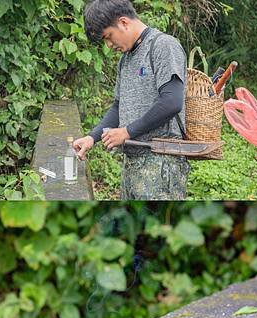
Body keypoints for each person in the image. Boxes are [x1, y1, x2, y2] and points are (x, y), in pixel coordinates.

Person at [73, 0, 189, 200]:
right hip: (132, 163)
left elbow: (172, 101)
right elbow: (119, 106)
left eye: (108, 37)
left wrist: (127, 132)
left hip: (161, 163)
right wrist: (92, 137)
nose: (109, 45)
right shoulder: (125, 59)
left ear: (124, 22)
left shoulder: (163, 45)